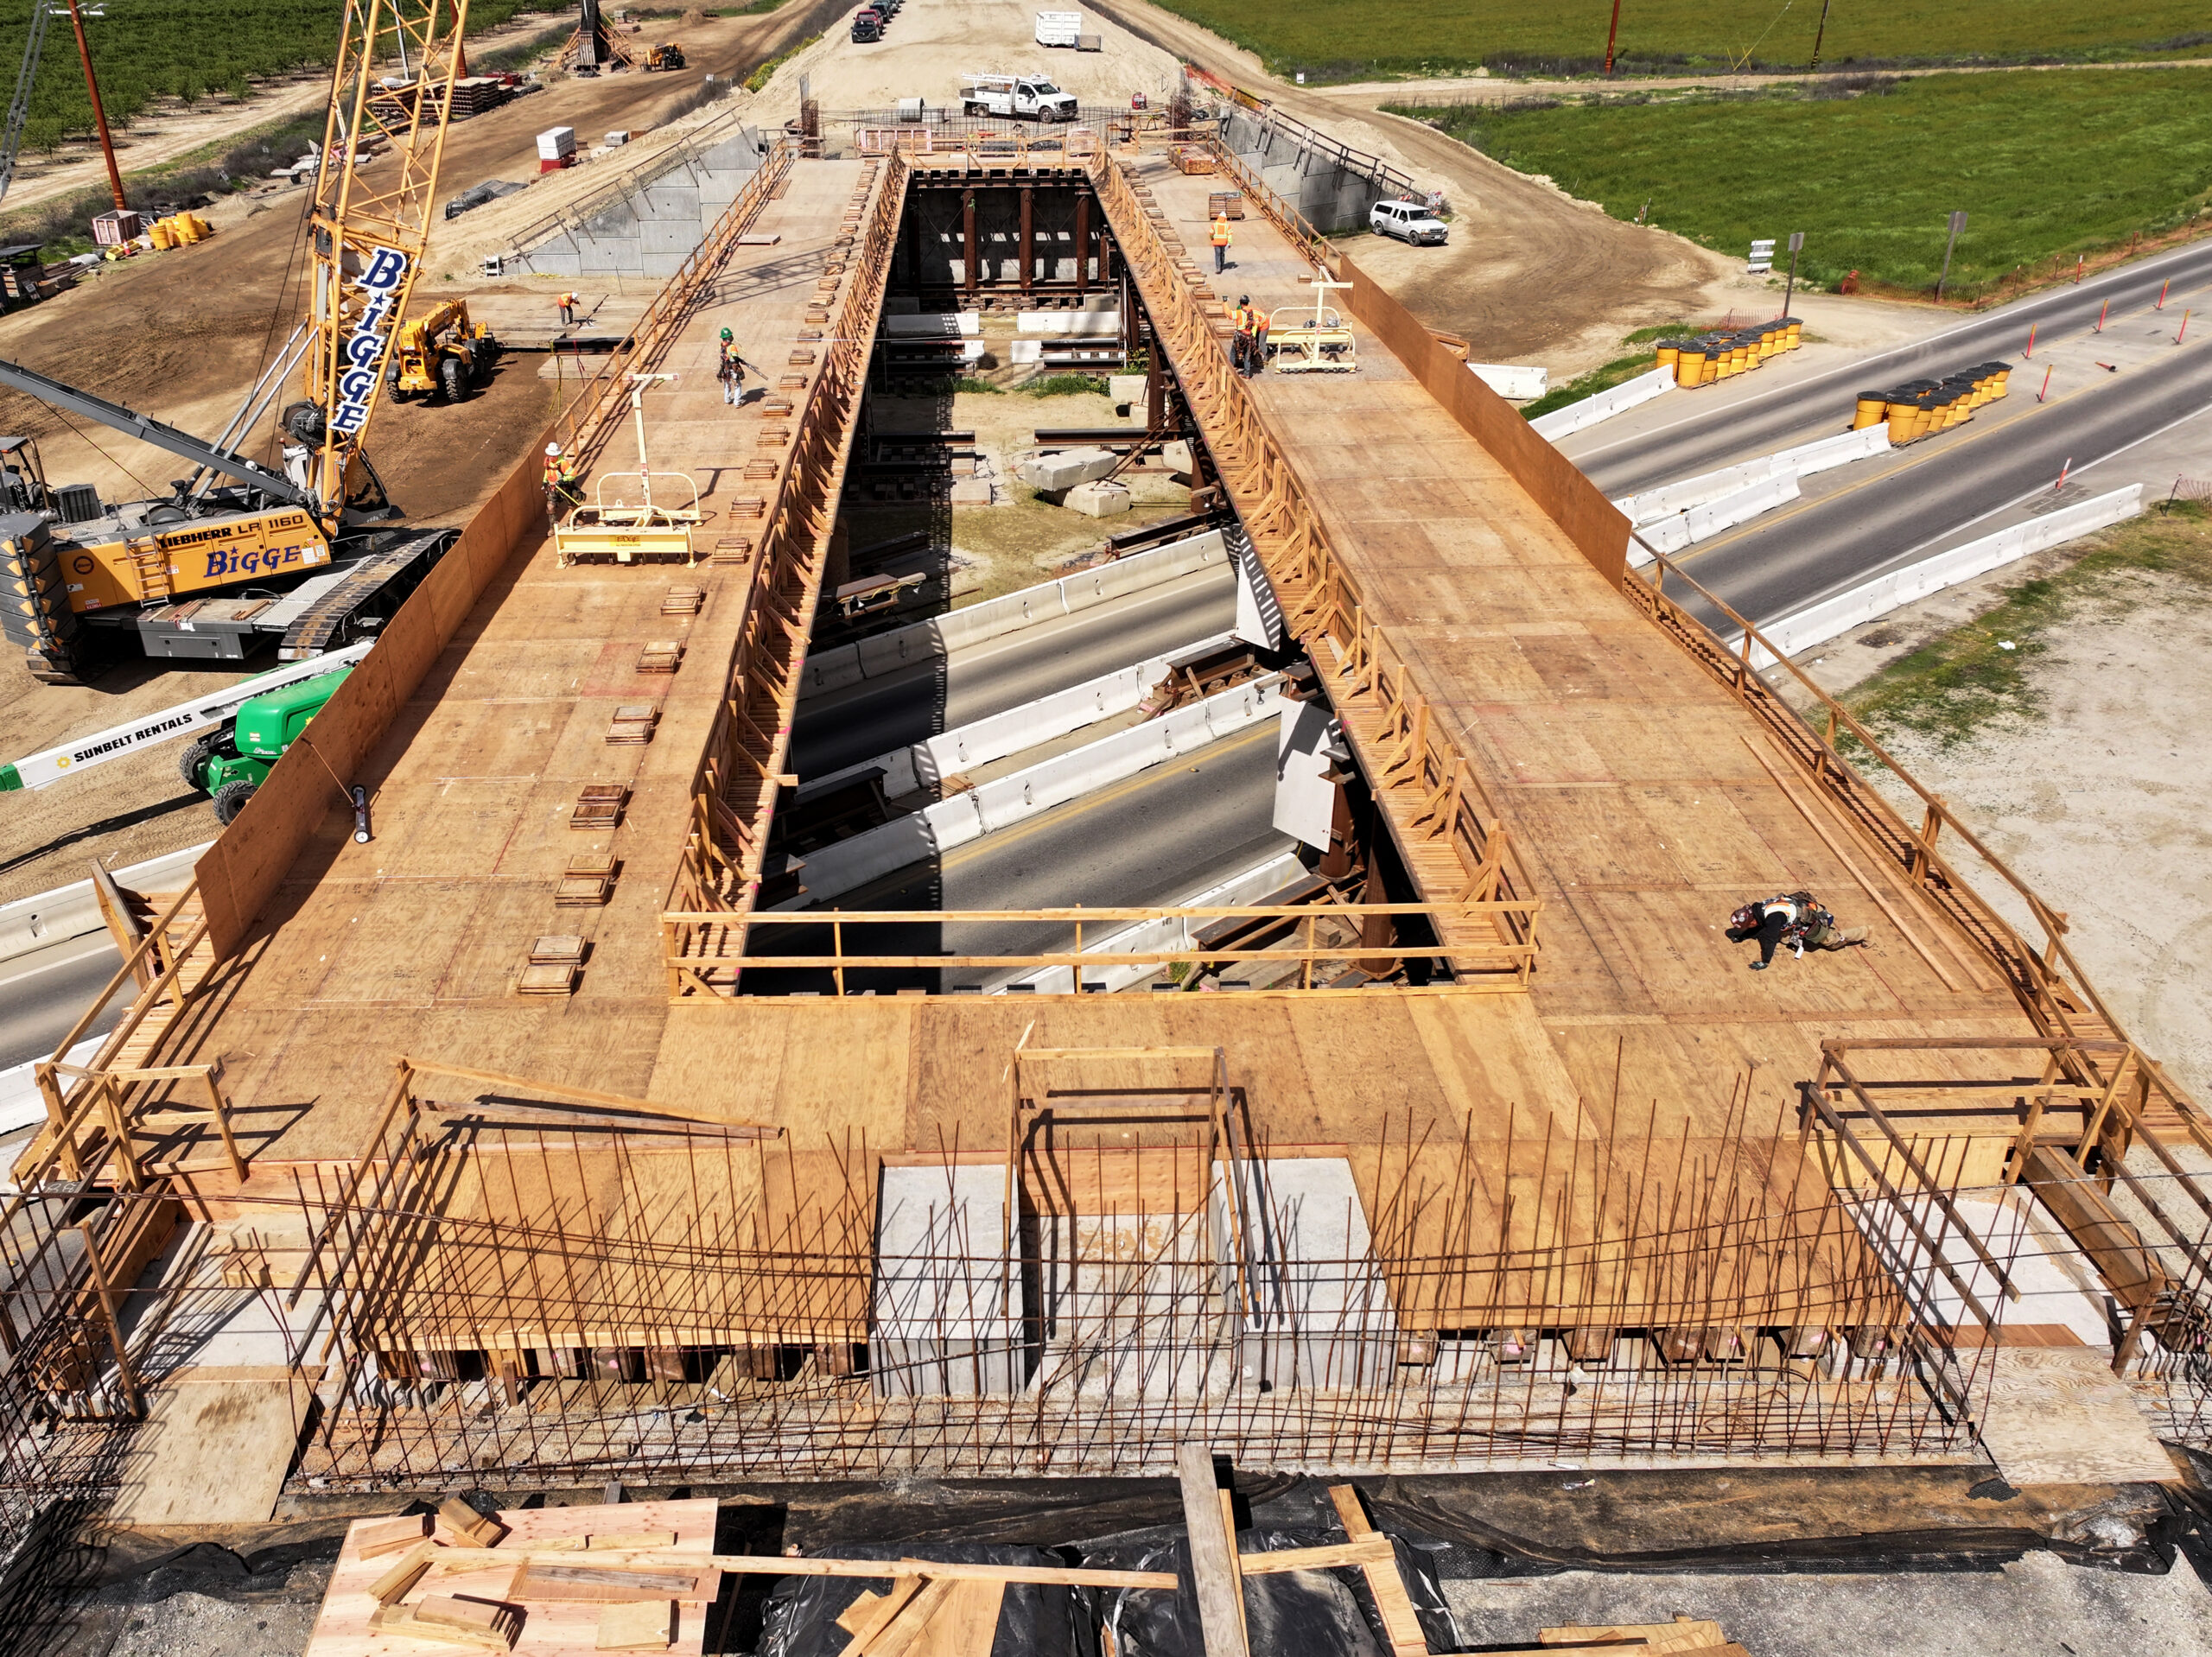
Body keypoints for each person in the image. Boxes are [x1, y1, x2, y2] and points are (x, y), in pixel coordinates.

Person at [1726, 891, 1866, 970]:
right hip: (1796, 909)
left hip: (1813, 917)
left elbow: (1769, 939)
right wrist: (1743, 936)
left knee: (1831, 942)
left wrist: (1765, 962)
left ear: (1752, 921)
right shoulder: (1758, 910)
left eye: (1747, 926)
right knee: (1785, 938)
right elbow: (1760, 927)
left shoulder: (1773, 919)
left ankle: (1865, 932)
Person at [542, 442, 581, 516]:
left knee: (572, 505)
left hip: (564, 488)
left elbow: (574, 474)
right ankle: (553, 526)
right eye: (549, 455)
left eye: (552, 456)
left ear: (556, 455)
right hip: (553, 488)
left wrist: (563, 480)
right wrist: (544, 481)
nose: (550, 457)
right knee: (551, 507)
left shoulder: (563, 463)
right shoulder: (548, 462)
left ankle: (580, 517)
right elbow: (547, 471)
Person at [717, 327, 743, 406]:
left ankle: (727, 399)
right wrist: (741, 361)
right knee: (737, 385)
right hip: (733, 369)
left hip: (725, 369)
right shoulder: (732, 347)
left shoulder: (722, 346)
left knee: (727, 385)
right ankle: (737, 402)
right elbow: (735, 358)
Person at [1210, 211, 1232, 275]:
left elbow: (1211, 233)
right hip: (1224, 243)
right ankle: (1222, 266)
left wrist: (1212, 238)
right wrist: (1230, 243)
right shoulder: (1227, 226)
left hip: (1216, 242)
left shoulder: (1214, 225)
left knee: (1217, 255)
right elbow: (1230, 234)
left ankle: (1218, 268)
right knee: (1222, 254)